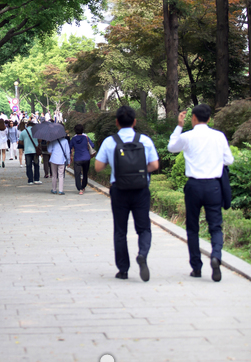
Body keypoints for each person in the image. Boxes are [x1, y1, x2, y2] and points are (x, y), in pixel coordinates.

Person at [168, 104, 234, 282]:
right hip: (213, 186)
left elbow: (171, 147)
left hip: (194, 186)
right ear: (209, 119)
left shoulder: (188, 136)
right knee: (215, 225)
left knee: (192, 227)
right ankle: (216, 255)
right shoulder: (219, 136)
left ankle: (196, 268)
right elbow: (229, 159)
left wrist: (179, 126)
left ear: (193, 118)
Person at [95, 106, 159, 282]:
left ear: (116, 122)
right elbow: (154, 165)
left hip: (119, 190)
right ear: (135, 122)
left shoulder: (110, 141)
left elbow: (98, 166)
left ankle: (123, 269)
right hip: (141, 189)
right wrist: (139, 172)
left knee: (120, 230)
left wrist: (116, 167)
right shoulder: (144, 140)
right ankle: (143, 254)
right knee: (144, 227)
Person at [70, 124, 95, 195]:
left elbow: (69, 147)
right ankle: (83, 186)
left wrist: (70, 155)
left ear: (75, 131)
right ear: (82, 130)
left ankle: (79, 188)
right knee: (85, 173)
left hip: (77, 158)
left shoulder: (73, 139)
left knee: (77, 174)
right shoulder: (86, 138)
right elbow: (92, 145)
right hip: (86, 157)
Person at [19, 120, 42, 185]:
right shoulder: (36, 131)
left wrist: (26, 143)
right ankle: (36, 179)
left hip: (27, 151)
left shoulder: (23, 132)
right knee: (36, 165)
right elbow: (40, 140)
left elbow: (20, 141)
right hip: (35, 151)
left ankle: (30, 180)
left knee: (28, 166)